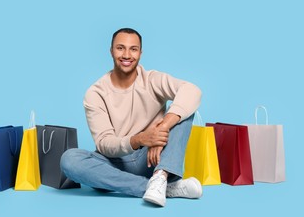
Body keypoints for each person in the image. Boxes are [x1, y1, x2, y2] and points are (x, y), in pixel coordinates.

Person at [60, 28, 203, 207]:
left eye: (133, 49)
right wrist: (139, 139)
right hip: (114, 165)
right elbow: (105, 143)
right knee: (69, 160)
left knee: (183, 112)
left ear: (140, 53)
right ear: (111, 51)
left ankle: (160, 177)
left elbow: (192, 90)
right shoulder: (95, 93)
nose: (127, 55)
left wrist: (163, 127)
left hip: (152, 160)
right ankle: (162, 188)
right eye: (120, 48)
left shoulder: (152, 79)